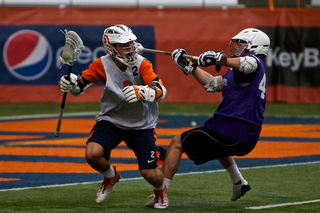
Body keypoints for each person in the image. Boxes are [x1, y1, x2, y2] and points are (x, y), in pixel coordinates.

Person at [149, 28, 270, 209]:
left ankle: (161, 193)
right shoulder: (241, 71)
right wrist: (192, 67)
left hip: (235, 131)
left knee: (176, 143)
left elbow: (247, 63)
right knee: (214, 139)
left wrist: (219, 59)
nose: (237, 47)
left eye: (242, 44)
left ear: (256, 46)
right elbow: (212, 84)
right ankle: (239, 182)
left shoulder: (255, 62)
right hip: (234, 131)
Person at [59, 24, 167, 205]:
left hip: (141, 125)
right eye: (125, 45)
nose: (131, 49)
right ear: (112, 48)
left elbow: (160, 90)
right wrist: (71, 84)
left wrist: (144, 93)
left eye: (132, 44)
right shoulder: (102, 64)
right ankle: (110, 176)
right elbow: (81, 84)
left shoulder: (142, 64)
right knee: (92, 153)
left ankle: (160, 190)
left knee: (149, 174)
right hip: (112, 120)